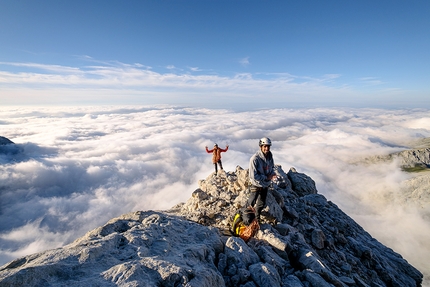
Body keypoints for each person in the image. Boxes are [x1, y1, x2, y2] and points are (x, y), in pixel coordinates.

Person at [247, 137, 277, 221]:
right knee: (250, 204)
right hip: (256, 185)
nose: (266, 148)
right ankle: (246, 220)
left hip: (265, 185)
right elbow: (253, 176)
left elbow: (271, 168)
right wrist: (267, 177)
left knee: (261, 203)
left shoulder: (270, 157)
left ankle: (256, 219)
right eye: (264, 146)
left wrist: (272, 175)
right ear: (261, 147)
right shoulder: (255, 159)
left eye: (268, 146)